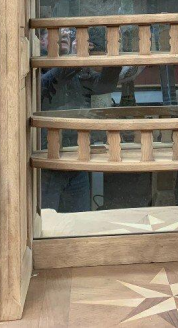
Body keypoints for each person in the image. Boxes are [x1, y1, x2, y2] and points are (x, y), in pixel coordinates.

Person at [40, 26, 121, 213]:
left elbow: (105, 85)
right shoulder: (37, 70)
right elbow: (48, 84)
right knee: (47, 221)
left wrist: (111, 55)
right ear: (41, 41)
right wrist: (76, 58)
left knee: (80, 219)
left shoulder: (76, 71)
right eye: (56, 31)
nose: (64, 34)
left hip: (77, 160)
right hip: (48, 164)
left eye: (67, 32)